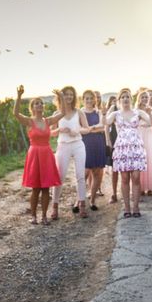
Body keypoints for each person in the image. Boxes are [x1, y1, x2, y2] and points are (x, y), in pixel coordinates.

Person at [12, 85, 63, 225]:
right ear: (32, 107)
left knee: (46, 187)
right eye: (36, 103)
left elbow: (63, 113)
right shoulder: (29, 121)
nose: (39, 105)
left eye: (41, 103)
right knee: (36, 188)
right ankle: (33, 216)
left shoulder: (48, 121)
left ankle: (44, 216)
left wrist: (61, 97)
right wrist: (19, 97)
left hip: (46, 154)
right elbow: (16, 114)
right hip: (34, 154)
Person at [105, 88, 152, 217]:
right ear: (119, 100)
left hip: (136, 148)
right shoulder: (116, 114)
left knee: (136, 178)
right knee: (125, 178)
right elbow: (106, 122)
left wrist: (147, 112)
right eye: (123, 97)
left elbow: (149, 122)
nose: (125, 99)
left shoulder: (138, 112)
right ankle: (126, 208)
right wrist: (110, 109)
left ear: (131, 99)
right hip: (122, 149)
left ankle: (136, 208)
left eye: (127, 97)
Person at [51, 86, 91, 219]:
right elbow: (50, 133)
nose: (68, 97)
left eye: (71, 95)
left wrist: (78, 130)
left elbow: (87, 129)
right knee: (60, 177)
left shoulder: (79, 112)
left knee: (80, 175)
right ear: (61, 97)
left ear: (74, 97)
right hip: (63, 145)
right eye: (66, 94)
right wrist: (59, 131)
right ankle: (55, 207)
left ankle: (82, 205)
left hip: (78, 145)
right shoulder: (57, 113)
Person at [80, 90, 107, 210]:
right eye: (87, 98)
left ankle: (92, 200)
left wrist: (88, 129)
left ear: (95, 99)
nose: (89, 100)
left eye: (91, 98)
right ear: (83, 99)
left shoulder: (99, 112)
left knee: (97, 172)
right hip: (86, 144)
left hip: (98, 143)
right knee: (84, 173)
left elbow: (103, 127)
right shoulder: (80, 112)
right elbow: (79, 129)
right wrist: (95, 128)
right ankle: (79, 200)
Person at [135, 89, 152, 195]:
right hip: (139, 134)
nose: (145, 99)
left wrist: (150, 113)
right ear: (139, 99)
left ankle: (150, 187)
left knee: (150, 159)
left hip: (149, 134)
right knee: (140, 159)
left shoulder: (151, 109)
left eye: (146, 97)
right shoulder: (135, 110)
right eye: (143, 97)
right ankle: (140, 186)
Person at [104, 95, 119, 204]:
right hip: (114, 138)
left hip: (125, 140)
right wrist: (108, 141)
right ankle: (114, 194)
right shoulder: (113, 109)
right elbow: (106, 125)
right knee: (115, 168)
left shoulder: (129, 108)